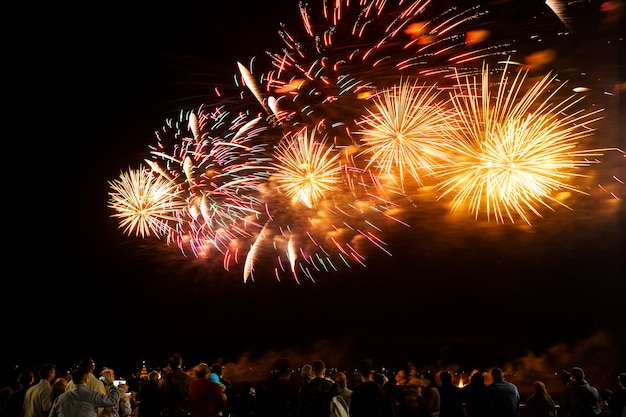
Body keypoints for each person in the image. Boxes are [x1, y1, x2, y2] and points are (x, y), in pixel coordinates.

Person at [49, 368, 119, 417]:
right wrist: (110, 384)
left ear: (73, 380)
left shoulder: (60, 399)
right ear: (86, 380)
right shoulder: (92, 397)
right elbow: (113, 400)